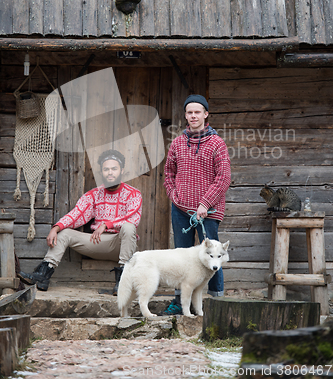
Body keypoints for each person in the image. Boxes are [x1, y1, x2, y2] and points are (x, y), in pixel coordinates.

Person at [18, 149, 142, 294]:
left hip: (120, 244)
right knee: (65, 233)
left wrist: (106, 224)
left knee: (128, 227)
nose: (110, 172)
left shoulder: (133, 193)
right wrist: (56, 227)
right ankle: (44, 274)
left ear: (122, 170)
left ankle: (123, 281)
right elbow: (77, 214)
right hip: (97, 242)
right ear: (101, 172)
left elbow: (133, 219)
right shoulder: (94, 194)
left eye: (114, 169)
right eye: (106, 169)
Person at [163, 94, 231, 315]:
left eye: (197, 112)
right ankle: (178, 301)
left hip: (209, 211)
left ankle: (215, 302)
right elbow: (168, 173)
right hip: (181, 210)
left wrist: (205, 203)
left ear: (205, 114)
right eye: (189, 112)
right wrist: (173, 195)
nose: (193, 115)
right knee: (181, 257)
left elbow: (223, 178)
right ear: (185, 115)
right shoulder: (177, 142)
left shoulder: (217, 143)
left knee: (213, 254)